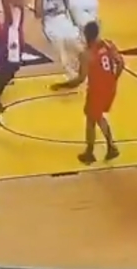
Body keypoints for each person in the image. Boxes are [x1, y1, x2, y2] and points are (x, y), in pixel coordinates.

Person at [51, 22, 122, 164]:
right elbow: (120, 63)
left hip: (97, 90)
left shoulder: (86, 55)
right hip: (110, 87)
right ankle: (110, 148)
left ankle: (91, 153)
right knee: (97, 117)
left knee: (91, 120)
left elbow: (80, 79)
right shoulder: (108, 44)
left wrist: (62, 85)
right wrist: (114, 78)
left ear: (86, 35)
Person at [34, 0, 80, 78]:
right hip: (50, 21)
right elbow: (38, 14)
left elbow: (67, 6)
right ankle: (70, 74)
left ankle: (82, 68)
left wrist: (74, 21)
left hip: (63, 19)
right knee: (61, 49)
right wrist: (49, 10)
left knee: (77, 45)